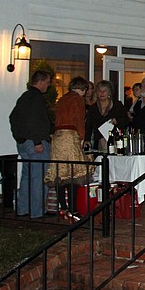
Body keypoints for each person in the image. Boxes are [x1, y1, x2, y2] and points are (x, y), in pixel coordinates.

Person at [44, 76, 90, 221]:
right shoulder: (78, 100)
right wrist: (82, 139)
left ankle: (63, 206)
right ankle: (73, 209)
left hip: (57, 137)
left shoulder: (62, 99)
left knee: (59, 173)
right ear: (82, 89)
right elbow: (79, 120)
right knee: (74, 173)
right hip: (70, 136)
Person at [9, 70, 52, 218]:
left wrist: (19, 138)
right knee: (38, 178)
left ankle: (23, 208)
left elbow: (13, 117)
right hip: (35, 143)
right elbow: (34, 120)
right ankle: (37, 212)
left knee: (27, 176)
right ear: (40, 82)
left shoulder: (25, 97)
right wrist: (37, 141)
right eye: (47, 82)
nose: (48, 85)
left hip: (24, 143)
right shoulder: (36, 98)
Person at [85, 80, 129, 150]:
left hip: (115, 140)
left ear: (109, 92)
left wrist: (116, 121)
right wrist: (86, 139)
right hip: (98, 141)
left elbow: (126, 120)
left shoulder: (117, 105)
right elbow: (88, 125)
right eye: (99, 91)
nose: (102, 93)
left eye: (104, 91)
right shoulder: (93, 108)